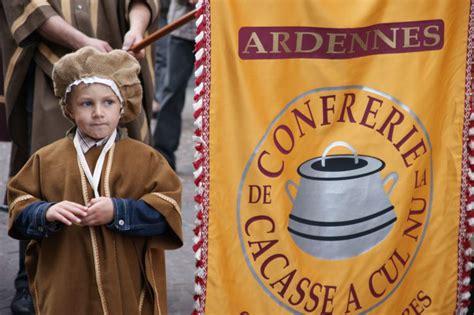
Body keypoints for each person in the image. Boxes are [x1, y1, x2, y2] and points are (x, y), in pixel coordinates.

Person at [0, 1, 159, 313]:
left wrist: (136, 30)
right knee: (47, 171)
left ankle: (126, 272)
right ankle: (31, 277)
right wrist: (82, 43)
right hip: (50, 67)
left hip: (119, 66)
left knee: (128, 167)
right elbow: (26, 7)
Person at [153, 0, 197, 170]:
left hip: (220, 31)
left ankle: (222, 155)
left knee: (221, 95)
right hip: (182, 29)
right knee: (172, 91)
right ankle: (163, 157)